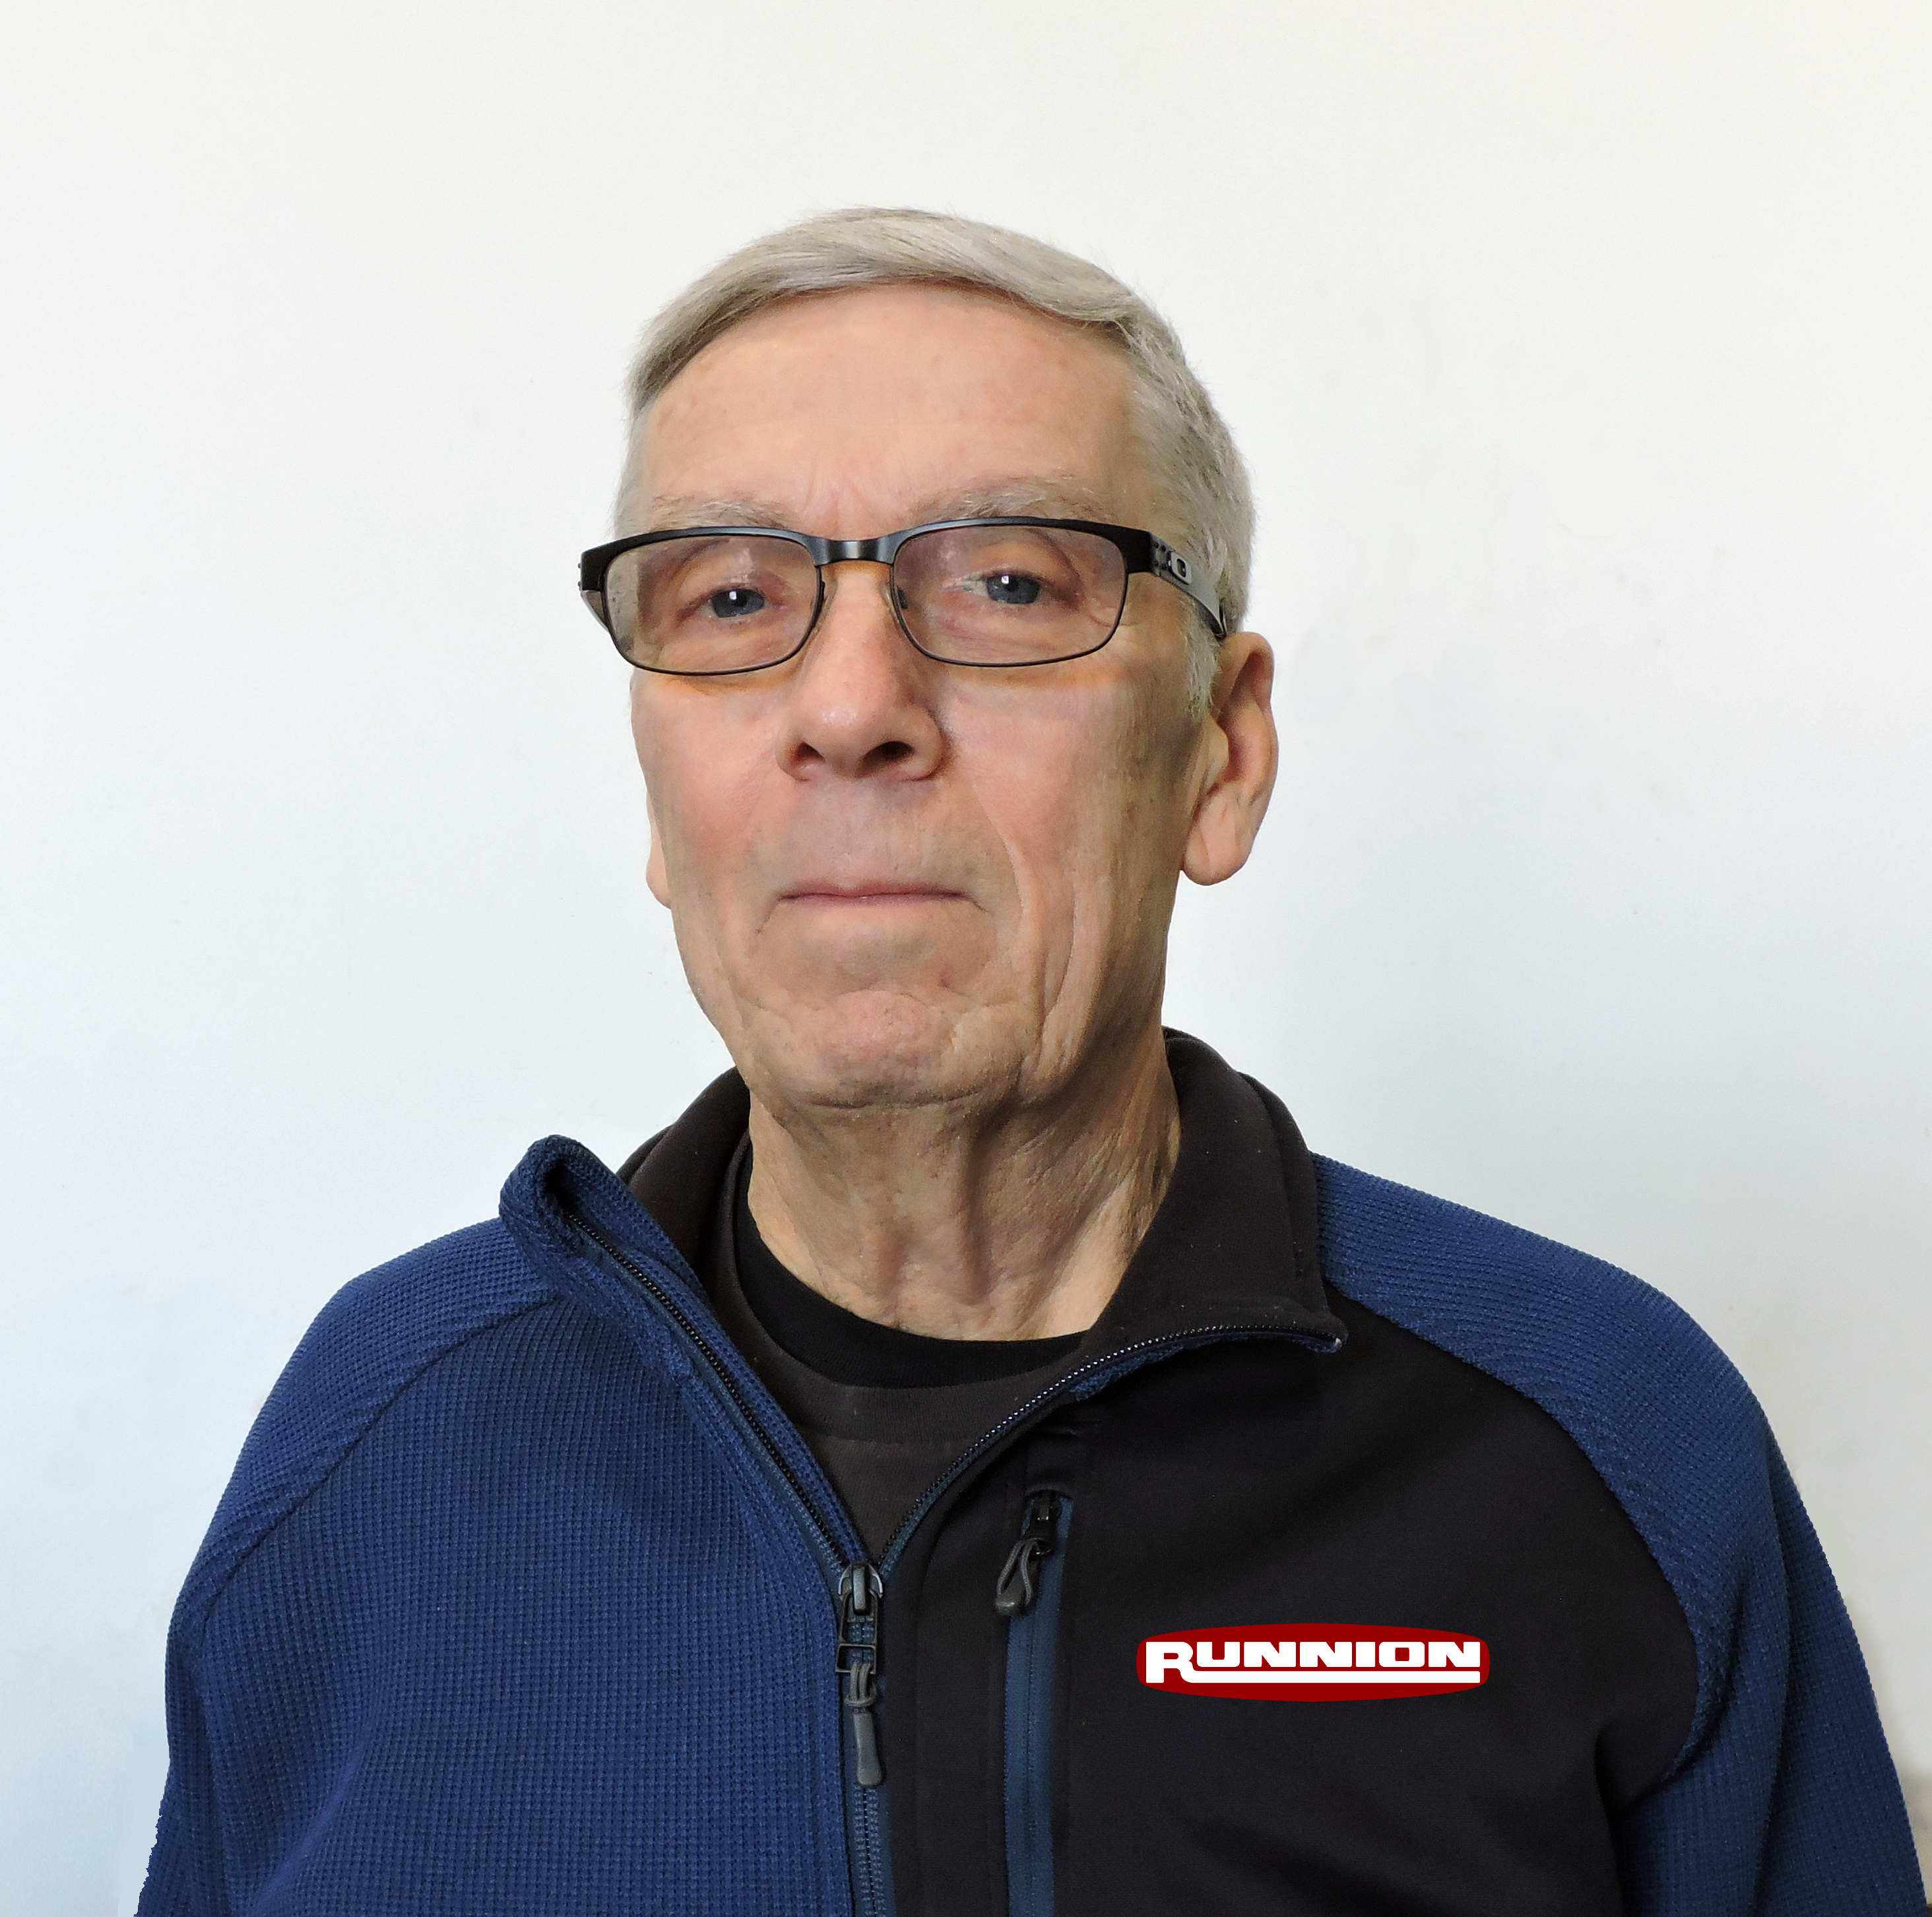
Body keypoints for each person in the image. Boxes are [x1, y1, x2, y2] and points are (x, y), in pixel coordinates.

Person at [137, 208, 1921, 1917]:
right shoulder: (373, 1460)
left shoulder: (1604, 1448)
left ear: (1220, 755)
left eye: (1005, 582)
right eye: (732, 598)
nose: (848, 709)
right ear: (659, 798)